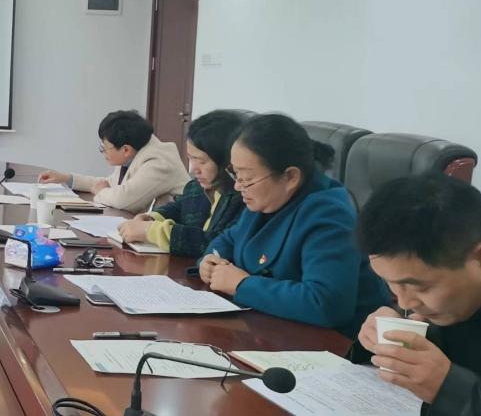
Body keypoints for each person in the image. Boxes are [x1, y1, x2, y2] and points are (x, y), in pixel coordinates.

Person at [199, 114, 389, 335]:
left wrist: (242, 285)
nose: (238, 186)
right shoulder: (265, 200)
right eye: (236, 174)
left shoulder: (329, 213)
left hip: (333, 343)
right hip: (271, 329)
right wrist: (211, 261)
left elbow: (326, 304)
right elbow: (229, 239)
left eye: (247, 178)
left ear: (290, 177)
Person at [356, 174, 481, 415]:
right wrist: (381, 343)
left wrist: (449, 388)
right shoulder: (442, 306)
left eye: (420, 287)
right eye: (390, 283)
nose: (405, 302)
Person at [117, 110, 247, 257]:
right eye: (191, 158)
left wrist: (151, 231)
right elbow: (180, 207)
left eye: (202, 161)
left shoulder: (243, 197)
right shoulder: (197, 187)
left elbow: (215, 242)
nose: (193, 169)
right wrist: (153, 218)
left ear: (227, 160)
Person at [38, 110, 189, 213]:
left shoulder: (159, 162)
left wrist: (100, 192)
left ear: (125, 150)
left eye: (105, 147)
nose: (103, 151)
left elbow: (123, 199)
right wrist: (66, 178)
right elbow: (108, 184)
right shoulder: (136, 149)